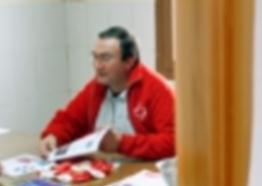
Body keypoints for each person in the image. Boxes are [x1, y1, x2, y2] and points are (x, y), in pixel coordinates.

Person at [40, 26, 175, 160]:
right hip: (105, 167)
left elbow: (174, 141)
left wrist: (121, 143)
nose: (98, 65)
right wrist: (53, 135)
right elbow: (69, 119)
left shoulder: (157, 89)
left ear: (129, 61)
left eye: (106, 58)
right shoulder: (96, 86)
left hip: (143, 170)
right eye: (95, 57)